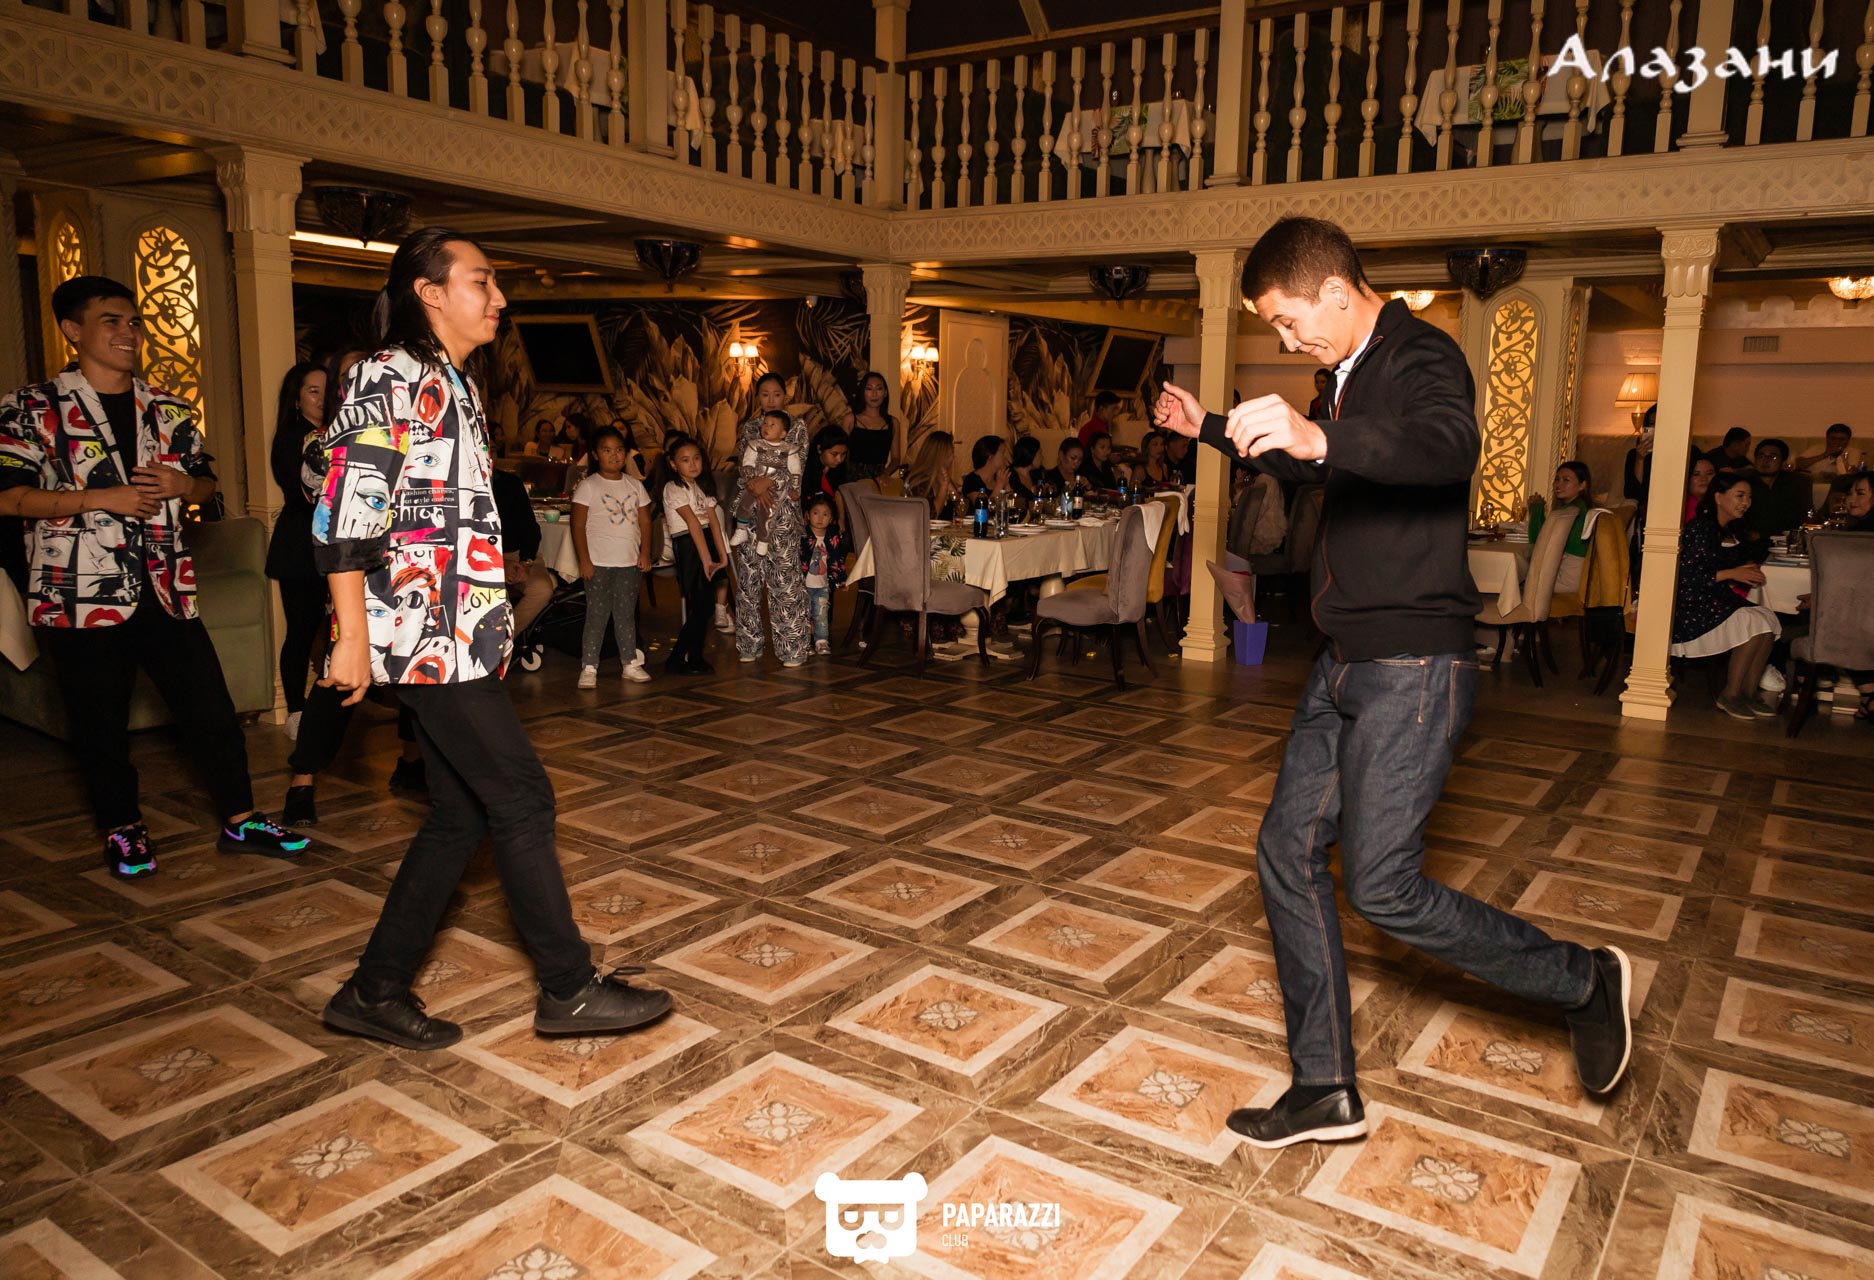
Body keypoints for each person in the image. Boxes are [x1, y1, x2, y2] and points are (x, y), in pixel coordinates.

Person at [1151, 216, 1630, 1148]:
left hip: (1412, 666)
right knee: (1285, 851)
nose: (1288, 339)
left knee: (1383, 890)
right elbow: (1315, 464)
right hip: (1345, 661)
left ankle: (1583, 980)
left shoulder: (1421, 355)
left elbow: (1445, 446)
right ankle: (1324, 1086)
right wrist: (1207, 426)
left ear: (1335, 291)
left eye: (1288, 320)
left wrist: (1322, 437)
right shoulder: (1343, 373)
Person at [314, 228, 671, 1050]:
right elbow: (345, 512)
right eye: (482, 281)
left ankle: (372, 991)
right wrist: (350, 636)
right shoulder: (386, 375)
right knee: (522, 797)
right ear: (429, 292)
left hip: (461, 630)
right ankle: (568, 988)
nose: (499, 298)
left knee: (459, 817)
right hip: (422, 631)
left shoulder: (454, 381)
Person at [0, 275, 308, 878]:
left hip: (167, 589)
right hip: (77, 595)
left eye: (135, 322)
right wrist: (98, 499)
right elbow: (9, 498)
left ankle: (241, 819)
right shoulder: (31, 408)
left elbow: (208, 487)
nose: (129, 332)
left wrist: (184, 485)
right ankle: (123, 828)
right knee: (99, 723)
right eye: (112, 321)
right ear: (72, 330)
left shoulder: (168, 408)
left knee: (212, 711)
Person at [1672, 473, 1780, 720]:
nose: (1746, 502)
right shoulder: (1700, 528)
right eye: (1739, 496)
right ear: (1719, 498)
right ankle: (1730, 695)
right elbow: (1686, 576)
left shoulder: (1731, 530)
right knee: (1752, 621)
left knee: (1767, 618)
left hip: (1714, 597)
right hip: (1691, 603)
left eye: (1749, 497)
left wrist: (1747, 567)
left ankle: (1748, 693)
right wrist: (1733, 573)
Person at [264, 361, 329, 740]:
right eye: (312, 391)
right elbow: (308, 493)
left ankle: (325, 707)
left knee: (333, 630)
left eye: (326, 390)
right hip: (299, 549)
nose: (321, 398)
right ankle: (296, 711)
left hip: (331, 546)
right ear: (296, 399)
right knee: (302, 631)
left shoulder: (335, 432)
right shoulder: (292, 437)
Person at [733, 378, 812, 667]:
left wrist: (770, 483)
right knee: (748, 581)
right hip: (752, 513)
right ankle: (748, 644)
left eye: (776, 394)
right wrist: (755, 485)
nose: (771, 399)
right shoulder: (750, 428)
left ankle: (793, 648)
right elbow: (744, 465)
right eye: (765, 394)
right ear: (758, 397)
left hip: (784, 517)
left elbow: (797, 469)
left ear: (784, 396)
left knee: (784, 581)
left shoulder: (797, 427)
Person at [572, 426, 653, 688]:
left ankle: (629, 663)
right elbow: (577, 525)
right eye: (607, 450)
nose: (614, 455)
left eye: (619, 450)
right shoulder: (588, 486)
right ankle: (589, 666)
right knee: (597, 615)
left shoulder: (635, 485)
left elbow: (645, 522)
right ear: (596, 454)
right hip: (598, 563)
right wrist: (584, 559)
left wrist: (645, 552)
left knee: (625, 615)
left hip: (629, 562)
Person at [660, 433, 730, 675]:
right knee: (700, 605)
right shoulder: (674, 488)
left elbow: (714, 523)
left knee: (706, 606)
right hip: (690, 545)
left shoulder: (700, 487)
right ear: (673, 464)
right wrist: (706, 560)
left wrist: (722, 557)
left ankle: (692, 656)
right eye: (685, 460)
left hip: (704, 542)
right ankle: (680, 657)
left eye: (696, 458)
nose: (693, 464)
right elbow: (692, 524)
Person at [732, 409, 801, 557]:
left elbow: (795, 471)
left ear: (783, 433)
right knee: (744, 502)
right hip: (755, 484)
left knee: (768, 511)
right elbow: (747, 464)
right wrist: (751, 481)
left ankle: (763, 540)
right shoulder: (755, 445)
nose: (766, 427)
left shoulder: (789, 450)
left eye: (772, 425)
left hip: (776, 488)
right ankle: (741, 529)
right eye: (764, 423)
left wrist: (795, 489)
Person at [1527, 461, 1594, 594]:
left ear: (1582, 485)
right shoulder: (1580, 507)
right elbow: (1546, 534)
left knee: (1516, 580)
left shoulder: (1572, 512)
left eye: (1566, 480)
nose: (1558, 484)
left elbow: (1538, 543)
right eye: (1557, 479)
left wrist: (1536, 510)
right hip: (1576, 578)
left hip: (1567, 579)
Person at [801, 494, 847, 655]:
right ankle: (804, 642)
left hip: (823, 585)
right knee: (803, 614)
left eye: (825, 514)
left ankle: (821, 641)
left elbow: (838, 559)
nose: (820, 518)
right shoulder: (803, 536)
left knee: (821, 613)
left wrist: (841, 579)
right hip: (803, 584)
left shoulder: (833, 537)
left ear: (831, 518)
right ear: (807, 515)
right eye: (816, 513)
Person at [1745, 438, 1810, 540]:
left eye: (1773, 457)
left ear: (1783, 462)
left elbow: (1799, 518)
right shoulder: (1744, 483)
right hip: (1751, 541)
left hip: (1785, 538)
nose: (1765, 460)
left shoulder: (1795, 483)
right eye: (1761, 456)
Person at [846, 370, 902, 483]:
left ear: (885, 393)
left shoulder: (893, 422)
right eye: (869, 389)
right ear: (862, 392)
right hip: (852, 480)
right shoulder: (851, 419)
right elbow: (843, 453)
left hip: (879, 480)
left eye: (879, 389)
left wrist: (886, 473)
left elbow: (896, 459)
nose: (874, 394)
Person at [802, 424, 851, 523]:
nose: (839, 459)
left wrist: (841, 519)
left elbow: (839, 492)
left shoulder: (840, 469)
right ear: (820, 449)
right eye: (834, 454)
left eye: (843, 454)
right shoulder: (805, 468)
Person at [903, 431, 958, 518]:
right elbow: (930, 516)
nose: (953, 457)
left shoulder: (944, 477)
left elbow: (959, 510)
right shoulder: (919, 481)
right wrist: (943, 487)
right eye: (951, 453)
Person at [1794, 422, 1864, 477]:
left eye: (1841, 439)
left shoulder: (1854, 452)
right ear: (1827, 438)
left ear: (1848, 440)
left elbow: (1850, 474)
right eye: (1833, 439)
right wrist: (1825, 454)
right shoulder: (1816, 448)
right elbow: (1797, 464)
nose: (1837, 442)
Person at [959, 433, 1010, 504]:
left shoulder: (999, 477)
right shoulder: (972, 480)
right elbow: (982, 506)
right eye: (1002, 453)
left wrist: (1006, 484)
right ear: (990, 456)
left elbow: (1011, 504)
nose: (1005, 457)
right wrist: (999, 485)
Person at [1008, 436, 1044, 507]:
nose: (1042, 457)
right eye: (1040, 453)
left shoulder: (1036, 474)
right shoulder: (1011, 476)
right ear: (1031, 454)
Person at [1681, 455, 1717, 525]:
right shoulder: (1682, 507)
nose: (1704, 479)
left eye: (1709, 473)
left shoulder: (1721, 503)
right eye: (1696, 474)